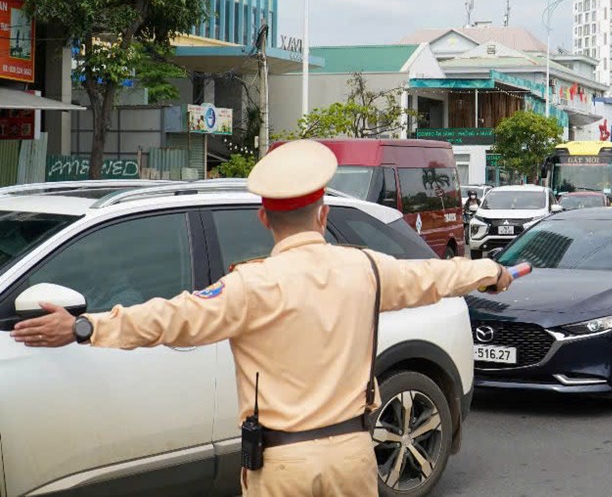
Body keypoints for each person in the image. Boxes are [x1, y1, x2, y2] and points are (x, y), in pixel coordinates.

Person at [11, 139, 514, 497]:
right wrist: (494, 271)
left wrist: (82, 326)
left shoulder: (250, 285)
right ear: (323, 214)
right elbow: (433, 276)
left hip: (283, 466)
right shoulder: (367, 268)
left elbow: (165, 318)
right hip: (352, 458)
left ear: (263, 218)